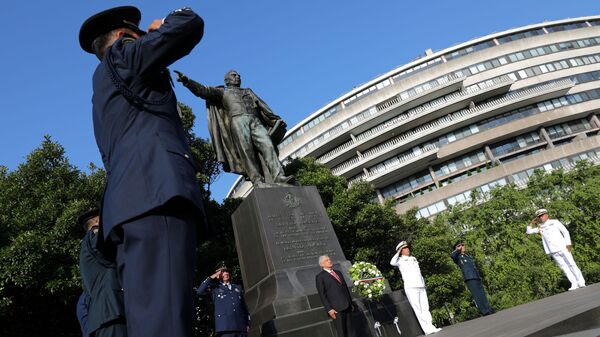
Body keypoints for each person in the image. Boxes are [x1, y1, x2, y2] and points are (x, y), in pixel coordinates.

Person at [79, 6, 206, 337]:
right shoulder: (123, 55)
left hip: (132, 207)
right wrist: (161, 27)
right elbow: (188, 25)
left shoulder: (104, 85)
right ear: (123, 36)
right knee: (167, 323)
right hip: (156, 197)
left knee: (151, 320)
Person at [174, 69, 292, 186]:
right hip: (238, 120)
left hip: (255, 121)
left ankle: (279, 176)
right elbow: (203, 90)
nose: (238, 77)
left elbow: (262, 105)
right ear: (227, 80)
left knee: (268, 146)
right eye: (234, 75)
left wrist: (275, 118)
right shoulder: (223, 92)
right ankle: (257, 181)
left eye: (238, 75)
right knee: (247, 151)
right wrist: (187, 81)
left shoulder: (248, 91)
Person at [78, 209, 127, 337]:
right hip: (111, 314)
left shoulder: (87, 247)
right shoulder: (94, 235)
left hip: (105, 317)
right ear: (98, 221)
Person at [526, 208, 585, 290]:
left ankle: (581, 282)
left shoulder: (554, 222)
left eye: (542, 215)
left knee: (571, 264)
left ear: (546, 215)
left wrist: (568, 244)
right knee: (564, 267)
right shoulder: (540, 227)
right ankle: (574, 283)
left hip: (563, 247)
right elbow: (528, 232)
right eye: (539, 216)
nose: (541, 217)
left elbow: (565, 232)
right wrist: (531, 223)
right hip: (553, 250)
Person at [390, 241, 441, 335]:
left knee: (425, 307)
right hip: (411, 287)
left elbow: (418, 273)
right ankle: (426, 329)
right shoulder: (399, 260)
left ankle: (431, 326)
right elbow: (392, 262)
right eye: (404, 248)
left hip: (420, 285)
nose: (407, 249)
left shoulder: (413, 258)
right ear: (401, 251)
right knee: (418, 309)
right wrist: (398, 252)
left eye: (407, 248)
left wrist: (423, 283)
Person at [196, 265, 250, 337]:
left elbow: (243, 307)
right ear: (218, 275)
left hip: (240, 327)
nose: (226, 273)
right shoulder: (215, 289)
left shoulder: (237, 287)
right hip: (225, 328)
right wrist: (213, 276)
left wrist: (248, 323)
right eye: (223, 272)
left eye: (226, 271)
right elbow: (200, 291)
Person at [315, 255, 356, 337]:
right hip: (336, 309)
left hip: (347, 306)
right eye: (327, 260)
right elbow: (322, 294)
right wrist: (329, 309)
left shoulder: (338, 273)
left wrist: (351, 303)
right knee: (341, 332)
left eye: (329, 259)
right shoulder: (320, 277)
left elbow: (345, 288)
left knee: (351, 331)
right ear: (321, 264)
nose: (329, 261)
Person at [450, 241, 493, 316]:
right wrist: (457, 249)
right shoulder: (458, 257)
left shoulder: (467, 255)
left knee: (482, 293)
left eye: (463, 245)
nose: (463, 246)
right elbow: (452, 255)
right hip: (469, 277)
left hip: (476, 276)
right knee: (477, 295)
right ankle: (484, 311)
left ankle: (488, 308)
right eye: (461, 245)